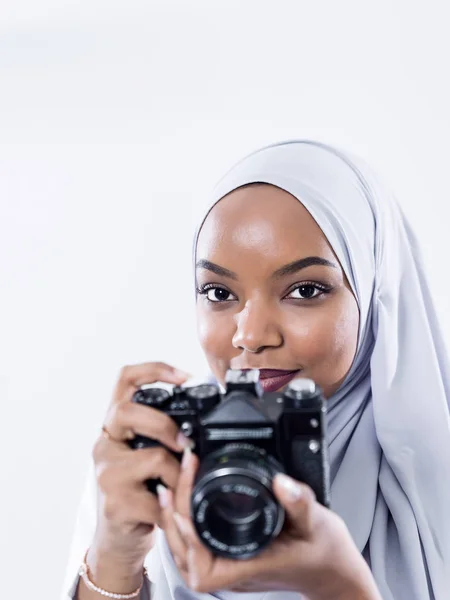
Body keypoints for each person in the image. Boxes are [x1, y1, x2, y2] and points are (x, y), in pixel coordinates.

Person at [62, 140, 450, 600]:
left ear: (374, 296)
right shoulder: (162, 449)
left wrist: (339, 587)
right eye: (219, 293)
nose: (250, 335)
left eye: (304, 290)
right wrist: (115, 558)